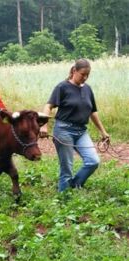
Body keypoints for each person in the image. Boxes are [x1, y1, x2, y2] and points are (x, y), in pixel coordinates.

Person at [40, 59, 109, 192]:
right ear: (74, 71)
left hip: (82, 131)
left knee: (93, 161)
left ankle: (73, 185)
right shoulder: (62, 87)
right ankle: (64, 198)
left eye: (87, 75)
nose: (85, 77)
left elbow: (93, 112)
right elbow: (48, 106)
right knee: (67, 168)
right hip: (64, 130)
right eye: (83, 74)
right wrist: (44, 125)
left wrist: (103, 131)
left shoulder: (88, 89)